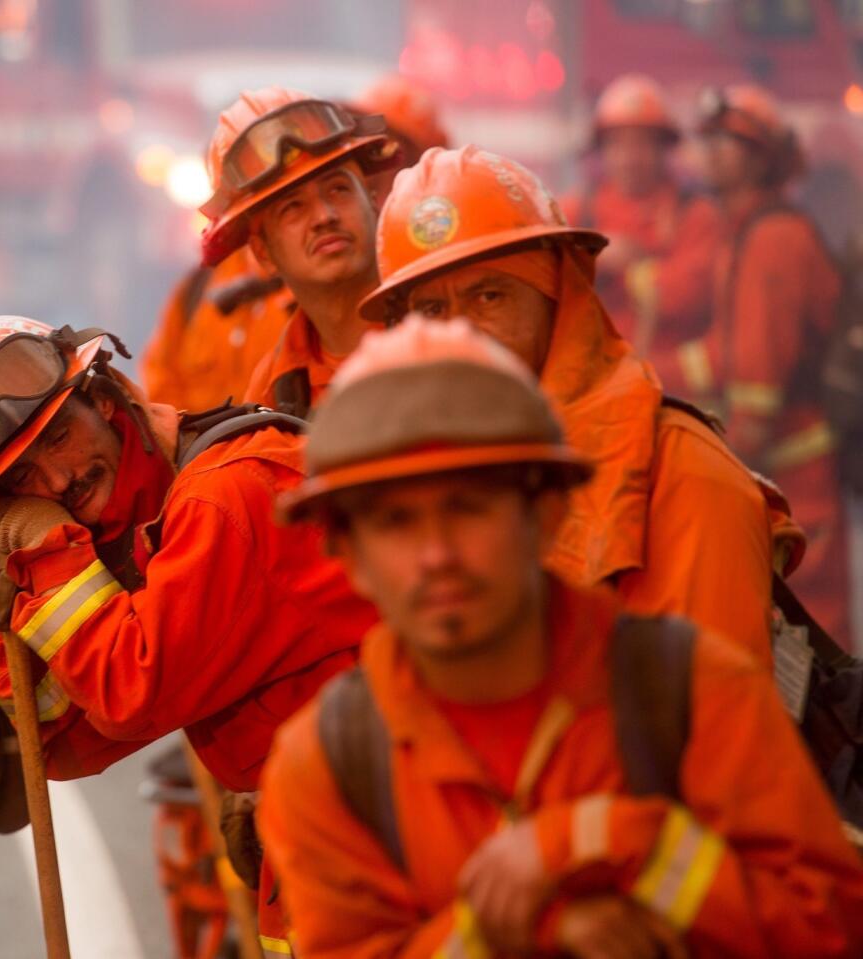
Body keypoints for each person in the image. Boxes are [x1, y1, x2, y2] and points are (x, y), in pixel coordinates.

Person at [258, 316, 863, 958]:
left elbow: (829, 932)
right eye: (395, 521)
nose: (435, 555)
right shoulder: (324, 767)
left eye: (468, 506)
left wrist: (625, 842)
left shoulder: (693, 689)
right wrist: (539, 930)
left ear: (546, 514)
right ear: (349, 556)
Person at [0, 315, 377, 957]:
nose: (55, 483)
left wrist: (47, 556)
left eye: (58, 439)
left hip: (382, 842)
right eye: (22, 478)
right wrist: (15, 603)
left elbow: (131, 690)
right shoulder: (142, 525)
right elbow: (56, 736)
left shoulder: (227, 495)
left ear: (106, 402)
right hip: (327, 840)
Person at [358, 145, 793, 666]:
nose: (460, 333)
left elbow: (719, 729)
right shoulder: (420, 482)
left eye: (489, 296)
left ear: (558, 296)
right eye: (431, 308)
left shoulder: (685, 476)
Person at [657, 85, 852, 647]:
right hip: (783, 471)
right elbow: (726, 350)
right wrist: (646, 369)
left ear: (764, 158)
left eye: (733, 141)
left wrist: (720, 487)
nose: (713, 150)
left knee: (810, 644)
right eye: (710, 138)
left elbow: (758, 391)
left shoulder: (773, 240)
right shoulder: (744, 231)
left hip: (794, 480)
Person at [196, 87, 396, 418]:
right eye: (293, 208)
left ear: (373, 200)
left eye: (338, 188)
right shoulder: (272, 391)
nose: (324, 216)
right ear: (263, 253)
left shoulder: (447, 326)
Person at [561, 74, 720, 379]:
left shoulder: (696, 215)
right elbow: (542, 278)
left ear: (664, 149)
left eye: (641, 145)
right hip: (589, 386)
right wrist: (592, 259)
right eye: (618, 145)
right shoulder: (577, 211)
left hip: (668, 389)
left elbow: (693, 293)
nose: (629, 158)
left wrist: (635, 271)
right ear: (601, 150)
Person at [140, 245, 292, 412]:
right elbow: (161, 380)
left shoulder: (307, 287)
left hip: (290, 435)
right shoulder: (197, 285)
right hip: (203, 436)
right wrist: (186, 433)